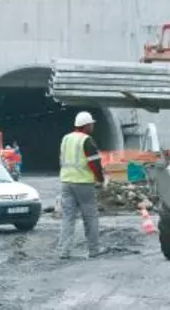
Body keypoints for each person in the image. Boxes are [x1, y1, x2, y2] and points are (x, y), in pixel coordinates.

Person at [57, 111, 106, 260]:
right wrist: (100, 178)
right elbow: (94, 163)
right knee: (90, 217)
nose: (93, 126)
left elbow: (61, 159)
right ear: (86, 125)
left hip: (66, 182)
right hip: (83, 183)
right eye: (91, 124)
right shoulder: (87, 140)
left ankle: (63, 251)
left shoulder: (66, 139)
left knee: (68, 218)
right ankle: (94, 250)